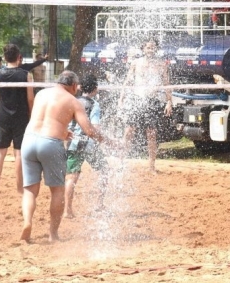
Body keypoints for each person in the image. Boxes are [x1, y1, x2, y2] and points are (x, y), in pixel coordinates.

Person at [19, 71, 108, 243]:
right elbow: (89, 131)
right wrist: (108, 141)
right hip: (51, 143)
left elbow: (43, 119)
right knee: (57, 190)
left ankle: (27, 222)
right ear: (74, 86)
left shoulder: (42, 93)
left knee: (30, 190)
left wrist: (61, 131)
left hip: (29, 139)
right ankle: (53, 234)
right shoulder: (73, 101)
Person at [121, 38, 172, 173]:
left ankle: (151, 167)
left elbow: (167, 84)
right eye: (148, 47)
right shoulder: (136, 63)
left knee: (152, 134)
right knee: (128, 132)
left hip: (152, 101)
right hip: (137, 99)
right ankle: (121, 163)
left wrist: (169, 101)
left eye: (153, 47)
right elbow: (128, 81)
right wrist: (121, 98)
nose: (150, 50)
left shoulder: (161, 64)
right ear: (143, 49)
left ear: (156, 49)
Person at [0, 44, 34, 194]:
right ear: (18, 56)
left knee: (0, 152)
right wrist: (31, 114)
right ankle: (19, 189)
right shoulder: (26, 75)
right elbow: (30, 99)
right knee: (19, 153)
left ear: (5, 57)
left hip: (3, 117)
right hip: (21, 117)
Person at [64, 74, 109, 218]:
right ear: (95, 89)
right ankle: (99, 205)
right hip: (88, 144)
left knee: (71, 177)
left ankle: (67, 210)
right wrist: (106, 139)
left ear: (80, 87)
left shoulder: (73, 101)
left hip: (72, 142)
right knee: (104, 170)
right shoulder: (94, 104)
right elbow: (95, 127)